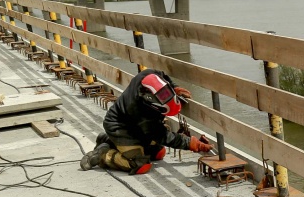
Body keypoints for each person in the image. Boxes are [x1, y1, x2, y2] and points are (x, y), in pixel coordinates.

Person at [80, 69, 213, 174]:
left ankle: (109, 141)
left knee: (158, 153)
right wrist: (192, 144)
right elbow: (162, 135)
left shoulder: (149, 75)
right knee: (140, 165)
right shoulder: (140, 111)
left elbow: (163, 76)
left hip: (135, 125)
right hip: (120, 128)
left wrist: (174, 87)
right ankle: (103, 154)